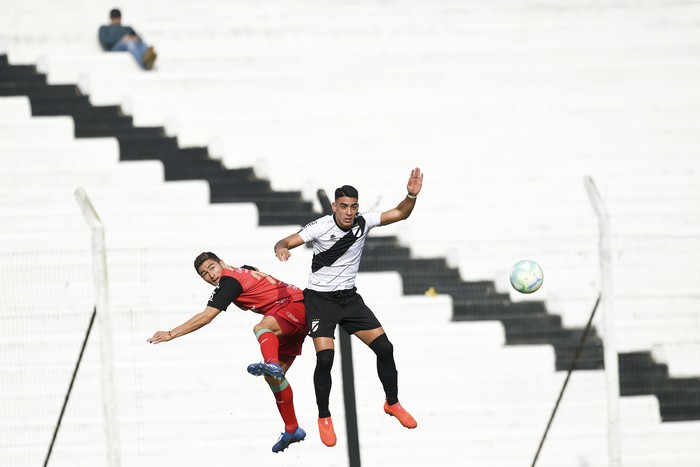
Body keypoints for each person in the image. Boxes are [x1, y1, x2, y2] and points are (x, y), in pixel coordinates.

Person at [273, 167, 424, 447]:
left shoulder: (364, 222)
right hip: (320, 301)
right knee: (326, 360)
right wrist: (282, 248)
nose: (349, 212)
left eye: (353, 207)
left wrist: (410, 195)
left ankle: (392, 403)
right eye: (344, 207)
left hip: (349, 299)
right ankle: (324, 417)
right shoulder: (320, 227)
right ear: (334, 207)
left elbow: (400, 212)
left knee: (385, 348)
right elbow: (286, 241)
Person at [147, 252, 309, 453]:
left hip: (292, 307)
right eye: (204, 274)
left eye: (212, 268)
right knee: (273, 378)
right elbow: (255, 271)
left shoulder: (229, 282)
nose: (210, 275)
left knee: (261, 329)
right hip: (290, 313)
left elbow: (206, 317)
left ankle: (272, 363)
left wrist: (171, 334)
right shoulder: (241, 271)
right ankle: (292, 428)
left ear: (222, 263)